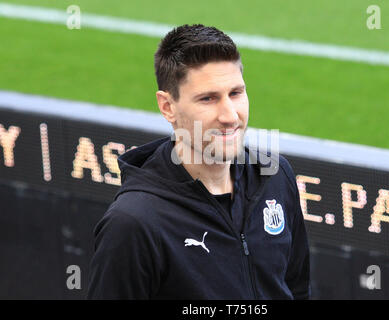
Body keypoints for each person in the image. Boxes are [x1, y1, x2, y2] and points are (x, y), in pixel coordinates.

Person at [87, 24, 310, 299]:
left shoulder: (275, 177)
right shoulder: (134, 223)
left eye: (236, 93)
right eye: (208, 99)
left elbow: (297, 288)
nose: (230, 115)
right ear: (167, 106)